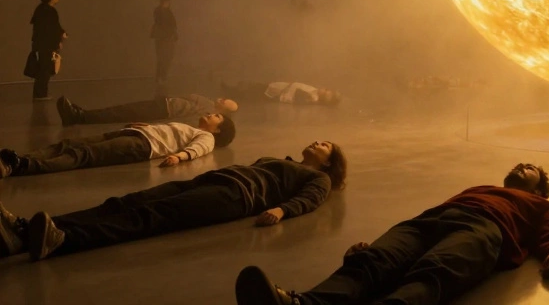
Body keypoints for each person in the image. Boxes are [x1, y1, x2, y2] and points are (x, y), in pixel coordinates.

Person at [234, 163, 549, 305]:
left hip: (485, 229)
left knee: (436, 272)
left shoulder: (538, 205)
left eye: (530, 169)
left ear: (539, 190)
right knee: (372, 260)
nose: (521, 167)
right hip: (431, 219)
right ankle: (301, 303)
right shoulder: (481, 187)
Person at [0, 141, 344, 261]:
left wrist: (282, 210)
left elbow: (311, 199)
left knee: (151, 216)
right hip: (213, 181)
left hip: (233, 197)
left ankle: (63, 241)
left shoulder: (319, 178)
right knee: (125, 201)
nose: (317, 142)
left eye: (324, 144)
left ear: (328, 161)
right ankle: (27, 231)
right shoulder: (284, 160)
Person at [0, 114, 234, 178]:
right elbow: (167, 132)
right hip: (136, 134)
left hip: (140, 145)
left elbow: (200, 148)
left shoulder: (208, 138)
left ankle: (21, 166)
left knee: (83, 154)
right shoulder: (190, 127)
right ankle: (16, 158)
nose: (211, 114)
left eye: (217, 117)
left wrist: (180, 157)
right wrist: (145, 125)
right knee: (70, 143)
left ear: (218, 130)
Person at [56, 93, 239, 126]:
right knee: (121, 110)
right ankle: (84, 114)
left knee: (120, 112)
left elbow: (184, 119)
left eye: (225, 102)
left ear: (223, 111)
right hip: (162, 106)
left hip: (161, 111)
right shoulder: (207, 104)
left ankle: (79, 116)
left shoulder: (207, 110)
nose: (221, 99)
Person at [25, 0, 66, 102]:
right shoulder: (49, 11)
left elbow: (49, 28)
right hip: (45, 45)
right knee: (45, 69)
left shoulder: (41, 9)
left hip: (40, 45)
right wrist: (59, 39)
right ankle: (40, 94)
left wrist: (60, 36)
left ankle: (40, 93)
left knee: (43, 69)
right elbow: (51, 28)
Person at [223, 80, 341, 106]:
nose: (324, 89)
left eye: (326, 92)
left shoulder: (312, 97)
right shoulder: (313, 91)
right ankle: (230, 90)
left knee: (250, 92)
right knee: (251, 88)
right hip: (275, 88)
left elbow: (294, 91)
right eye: (326, 89)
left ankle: (229, 93)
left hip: (274, 92)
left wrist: (282, 95)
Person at [152, 0, 179, 93]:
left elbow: (173, 24)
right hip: (162, 38)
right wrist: (168, 33)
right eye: (168, 0)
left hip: (169, 39)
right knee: (162, 58)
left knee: (168, 58)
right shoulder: (158, 11)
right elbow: (161, 24)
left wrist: (173, 35)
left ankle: (163, 77)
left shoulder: (168, 11)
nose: (169, 3)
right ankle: (160, 77)